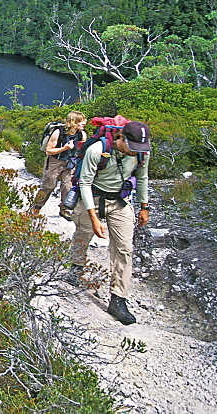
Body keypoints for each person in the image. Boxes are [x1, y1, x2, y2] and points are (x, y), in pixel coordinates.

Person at [66, 120, 152, 325]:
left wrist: (144, 206)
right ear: (121, 138)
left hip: (119, 201)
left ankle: (118, 299)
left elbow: (142, 177)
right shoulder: (97, 150)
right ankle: (75, 268)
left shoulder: (142, 152)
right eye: (132, 147)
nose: (135, 152)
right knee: (84, 232)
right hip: (93, 197)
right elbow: (85, 183)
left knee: (124, 249)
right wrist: (94, 218)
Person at [30, 111, 86, 216]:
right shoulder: (58, 132)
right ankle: (36, 207)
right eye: (81, 121)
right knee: (48, 186)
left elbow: (81, 150)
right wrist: (64, 148)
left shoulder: (82, 135)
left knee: (67, 186)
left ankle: (64, 209)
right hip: (55, 162)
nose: (84, 123)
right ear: (74, 122)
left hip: (70, 163)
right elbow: (49, 150)